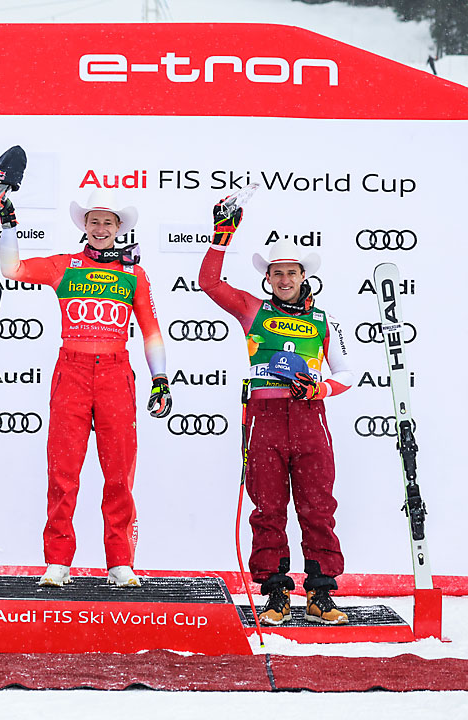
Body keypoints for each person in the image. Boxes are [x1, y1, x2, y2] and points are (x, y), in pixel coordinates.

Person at [0, 179, 172, 588]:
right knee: (63, 470)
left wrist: (160, 378)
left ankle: (120, 562)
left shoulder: (134, 275)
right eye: (94, 221)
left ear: (119, 228)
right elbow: (11, 269)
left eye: (108, 222)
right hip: (71, 369)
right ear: (84, 224)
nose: (101, 228)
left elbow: (152, 331)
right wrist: (8, 223)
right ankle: (58, 562)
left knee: (119, 472)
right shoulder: (65, 265)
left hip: (115, 371)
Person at [197, 199, 355, 625]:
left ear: (305, 276)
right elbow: (209, 283)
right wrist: (222, 236)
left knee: (317, 507)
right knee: (267, 510)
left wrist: (319, 387)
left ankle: (322, 593)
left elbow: (349, 373)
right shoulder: (252, 309)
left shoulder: (324, 319)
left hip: (309, 417)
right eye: (276, 272)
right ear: (266, 278)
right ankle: (275, 594)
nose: (284, 279)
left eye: (292, 272)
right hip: (264, 420)